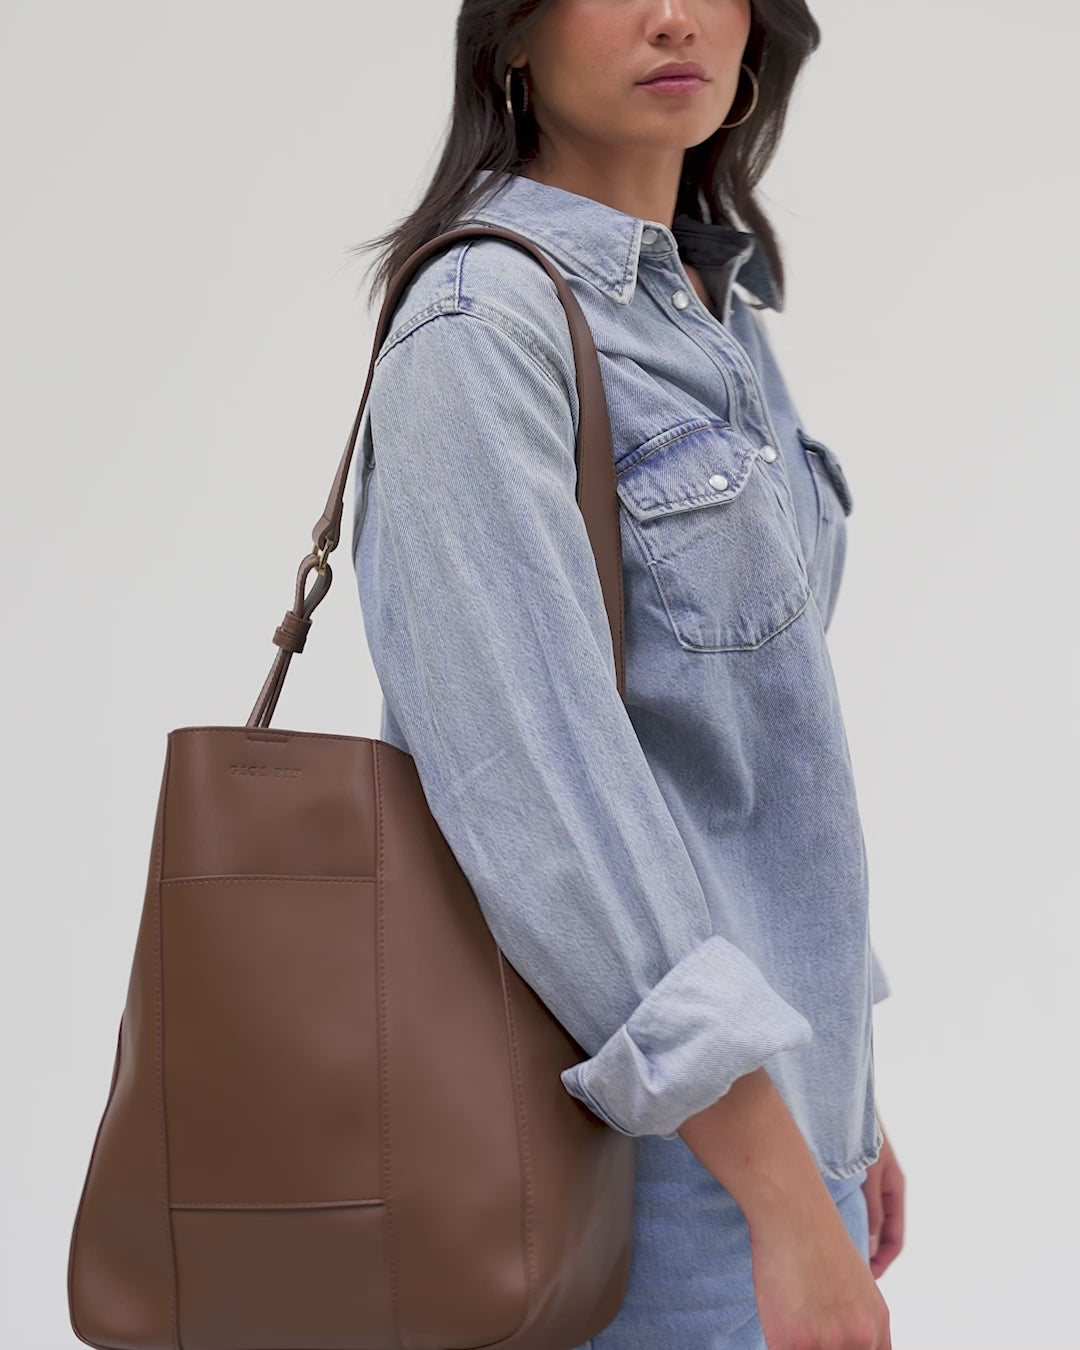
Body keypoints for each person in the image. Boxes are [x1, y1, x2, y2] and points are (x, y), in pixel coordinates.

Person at [348, 2, 905, 1347]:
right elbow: (541, 793)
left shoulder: (706, 310)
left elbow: (755, 765)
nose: (673, 15)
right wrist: (776, 1188)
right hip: (628, 1174)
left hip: (767, 1132)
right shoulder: (483, 330)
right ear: (512, 41)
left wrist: (850, 1103)